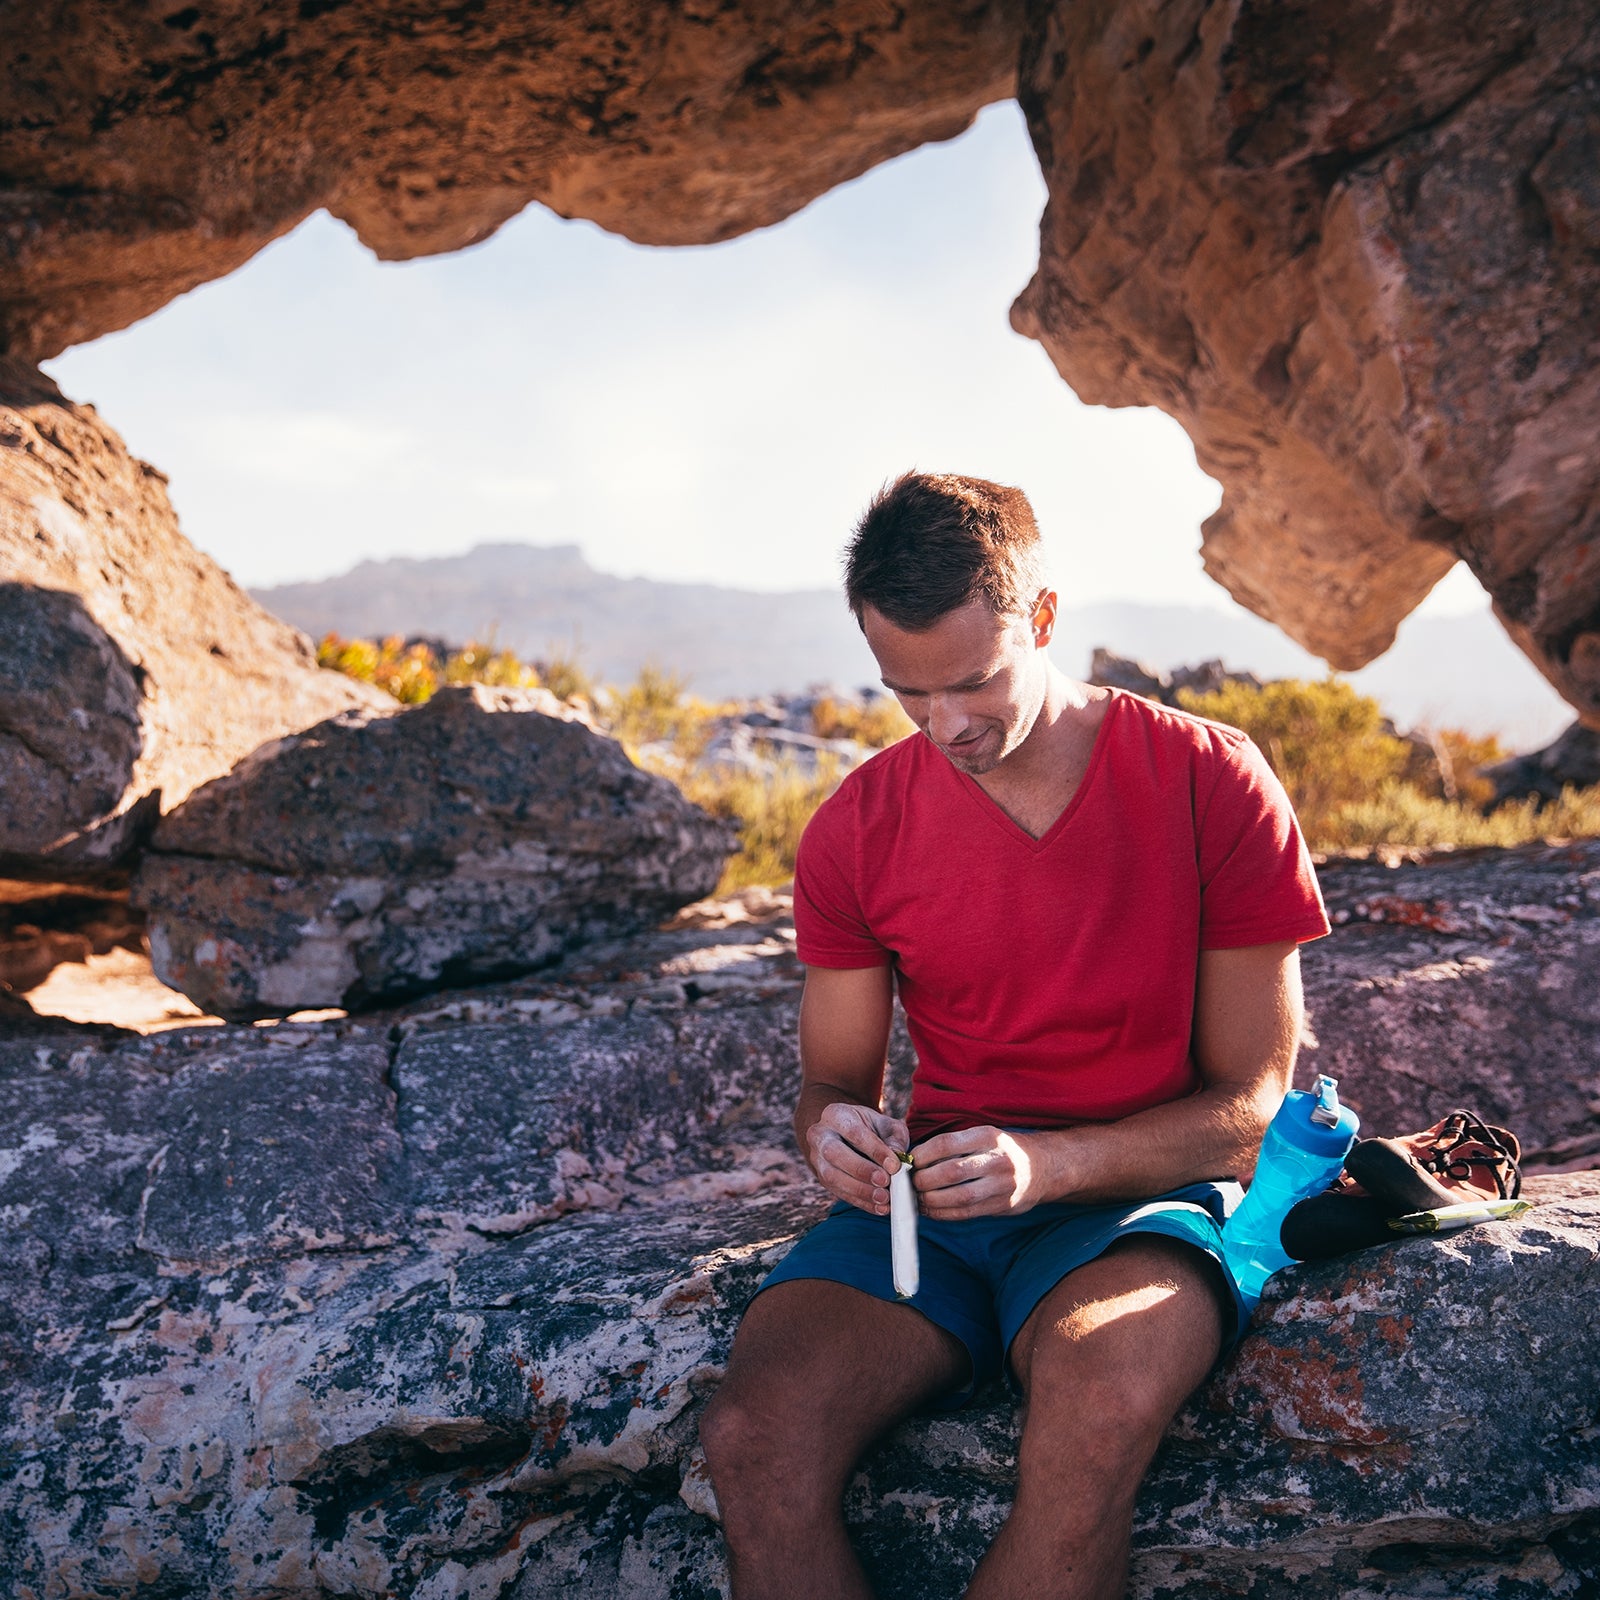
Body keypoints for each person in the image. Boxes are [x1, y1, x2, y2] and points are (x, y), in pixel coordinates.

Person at [698, 472, 1330, 1600]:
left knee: (1102, 1404)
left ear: (1040, 619)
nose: (947, 725)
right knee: (755, 1435)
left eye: (975, 682)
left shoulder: (1209, 780)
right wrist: (832, 1129)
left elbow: (1247, 1105)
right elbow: (830, 1078)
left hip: (1132, 1201)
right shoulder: (854, 827)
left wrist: (1053, 1164)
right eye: (907, 693)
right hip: (934, 1210)